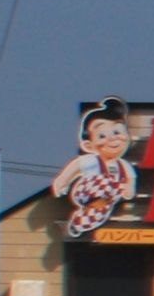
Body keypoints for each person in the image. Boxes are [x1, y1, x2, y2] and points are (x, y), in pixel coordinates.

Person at [47, 102, 137, 239]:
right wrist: (61, 182)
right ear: (88, 145)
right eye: (102, 136)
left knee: (100, 215)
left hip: (107, 200)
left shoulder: (124, 165)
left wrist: (128, 191)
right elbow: (74, 167)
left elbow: (130, 182)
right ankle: (90, 208)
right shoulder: (92, 161)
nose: (113, 138)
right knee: (107, 182)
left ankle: (77, 225)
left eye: (117, 132)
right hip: (87, 191)